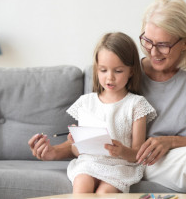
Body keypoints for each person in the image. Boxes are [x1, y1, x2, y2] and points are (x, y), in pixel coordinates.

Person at [28, 0, 186, 199]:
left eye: (163, 44)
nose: (153, 52)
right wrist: (57, 149)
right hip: (150, 159)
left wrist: (170, 141)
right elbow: (98, 134)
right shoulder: (127, 73)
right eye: (148, 41)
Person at [30, 32, 157, 193]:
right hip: (88, 164)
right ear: (97, 69)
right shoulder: (86, 102)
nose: (109, 78)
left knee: (104, 193)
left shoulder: (136, 104)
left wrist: (122, 151)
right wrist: (77, 143)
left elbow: (138, 154)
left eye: (118, 71)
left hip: (119, 166)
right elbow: (77, 151)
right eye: (103, 70)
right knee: (82, 185)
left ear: (131, 71)